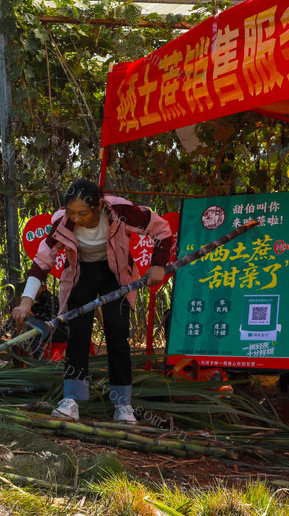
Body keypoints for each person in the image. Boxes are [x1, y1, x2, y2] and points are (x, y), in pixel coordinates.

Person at [10, 180, 171, 424]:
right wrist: (25, 302)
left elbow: (162, 230)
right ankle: (72, 400)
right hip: (80, 275)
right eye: (72, 212)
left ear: (98, 206)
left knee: (118, 335)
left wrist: (158, 265)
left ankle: (122, 404)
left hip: (115, 276)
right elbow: (42, 262)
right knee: (78, 334)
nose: (76, 218)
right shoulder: (62, 222)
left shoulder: (121, 212)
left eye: (83, 213)